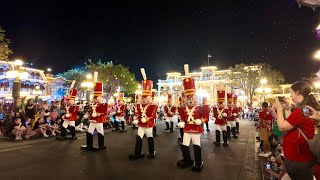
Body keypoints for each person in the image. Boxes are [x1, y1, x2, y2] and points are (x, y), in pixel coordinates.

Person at [273, 81, 320, 180]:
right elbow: (293, 123)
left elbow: (282, 126)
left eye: (291, 92)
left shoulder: (301, 110)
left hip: (298, 158)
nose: (290, 95)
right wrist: (286, 109)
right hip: (304, 156)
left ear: (297, 92)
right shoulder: (306, 108)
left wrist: (279, 109)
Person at [176, 64, 209, 172]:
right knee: (184, 145)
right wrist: (181, 121)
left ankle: (198, 162)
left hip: (195, 129)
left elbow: (206, 117)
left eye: (191, 97)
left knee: (196, 145)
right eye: (187, 98)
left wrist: (201, 120)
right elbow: (182, 116)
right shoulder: (184, 107)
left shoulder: (200, 107)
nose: (189, 100)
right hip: (187, 129)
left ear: (195, 97)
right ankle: (187, 159)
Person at [129, 68, 158, 160]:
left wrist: (147, 119)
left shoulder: (153, 106)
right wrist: (136, 119)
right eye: (143, 98)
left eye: (146, 98)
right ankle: (138, 153)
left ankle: (151, 152)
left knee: (149, 136)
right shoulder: (139, 105)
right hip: (141, 124)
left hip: (148, 124)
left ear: (150, 98)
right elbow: (137, 113)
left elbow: (153, 115)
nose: (145, 99)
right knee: (138, 137)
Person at [81, 82, 108, 151]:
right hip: (92, 120)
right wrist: (87, 114)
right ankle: (89, 144)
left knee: (100, 131)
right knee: (90, 131)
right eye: (96, 98)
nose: (96, 99)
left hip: (99, 120)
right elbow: (90, 111)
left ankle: (101, 145)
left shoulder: (104, 104)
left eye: (98, 98)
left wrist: (99, 114)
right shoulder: (93, 104)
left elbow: (105, 112)